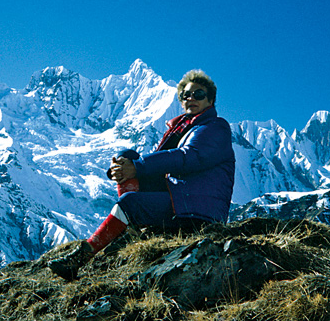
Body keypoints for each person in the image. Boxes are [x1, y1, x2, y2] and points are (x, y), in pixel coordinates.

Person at [48, 69, 235, 280]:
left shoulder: (215, 127)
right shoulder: (184, 129)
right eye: (186, 95)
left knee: (130, 201)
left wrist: (138, 167)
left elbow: (187, 157)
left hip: (199, 211)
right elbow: (163, 161)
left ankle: (83, 256)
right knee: (126, 156)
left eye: (198, 94)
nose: (191, 98)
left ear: (211, 100)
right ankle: (132, 224)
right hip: (181, 197)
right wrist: (126, 165)